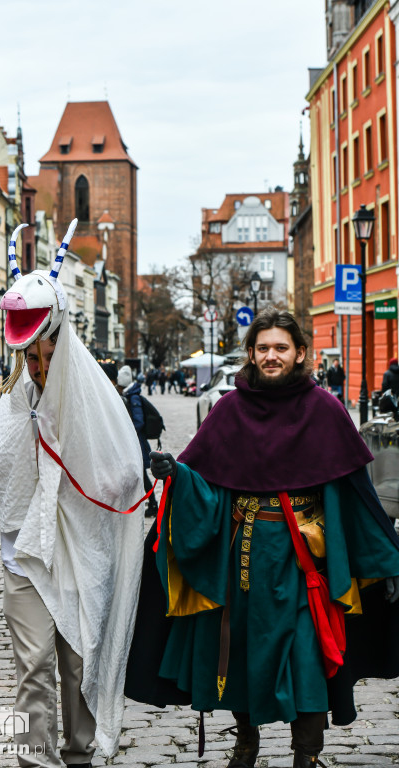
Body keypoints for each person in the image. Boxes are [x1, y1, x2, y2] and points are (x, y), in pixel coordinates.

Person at [125, 307, 399, 768]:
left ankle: (307, 753)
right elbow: (205, 478)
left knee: (306, 655)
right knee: (240, 650)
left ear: (300, 354)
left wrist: (386, 558)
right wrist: (178, 475)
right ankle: (246, 740)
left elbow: (356, 493)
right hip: (243, 557)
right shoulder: (230, 408)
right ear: (251, 353)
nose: (271, 356)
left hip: (304, 563)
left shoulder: (326, 410)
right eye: (263, 348)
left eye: (281, 348)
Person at [0, 275, 144, 766]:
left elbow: (122, 467)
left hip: (80, 551)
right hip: (25, 553)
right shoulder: (16, 398)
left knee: (77, 660)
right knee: (33, 666)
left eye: (48, 356)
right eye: (31, 358)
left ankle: (78, 753)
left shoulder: (92, 396)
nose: (40, 368)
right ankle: (35, 760)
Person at [118, 366, 159, 517]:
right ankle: (149, 502)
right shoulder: (131, 395)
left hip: (138, 444)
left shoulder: (133, 397)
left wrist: (127, 431)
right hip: (135, 442)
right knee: (139, 474)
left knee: (141, 474)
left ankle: (153, 503)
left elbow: (139, 421)